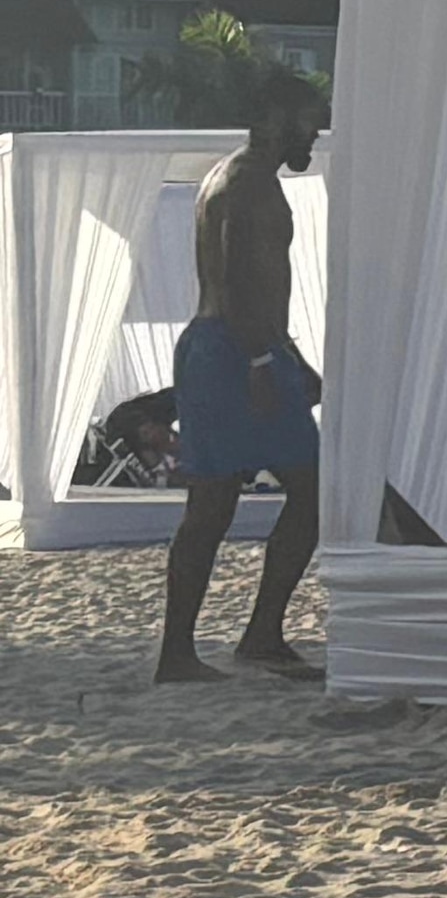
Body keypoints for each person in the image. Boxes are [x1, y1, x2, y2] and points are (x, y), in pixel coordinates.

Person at [160, 74, 328, 682]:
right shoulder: (249, 181)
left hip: (240, 348)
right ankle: (190, 651)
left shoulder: (234, 176)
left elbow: (255, 288)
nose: (316, 129)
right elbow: (236, 280)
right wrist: (261, 363)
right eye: (310, 117)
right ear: (278, 116)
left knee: (297, 493)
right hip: (232, 352)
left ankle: (251, 637)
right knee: (217, 505)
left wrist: (288, 359)